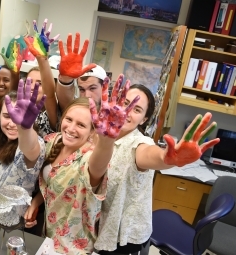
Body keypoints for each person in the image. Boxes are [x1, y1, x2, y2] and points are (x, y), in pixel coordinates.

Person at [55, 34, 220, 255]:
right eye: (124, 103)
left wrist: (168, 159)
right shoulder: (97, 129)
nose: (127, 112)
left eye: (137, 109)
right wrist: (65, 79)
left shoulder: (138, 144)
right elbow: (70, 108)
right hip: (88, 224)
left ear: (144, 120)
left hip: (122, 236)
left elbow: (150, 155)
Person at [24, 78, 139, 254]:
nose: (70, 128)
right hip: (48, 239)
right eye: (68, 119)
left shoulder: (88, 157)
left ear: (93, 132)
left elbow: (98, 165)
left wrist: (107, 141)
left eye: (81, 125)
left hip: (75, 248)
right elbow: (50, 179)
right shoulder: (54, 141)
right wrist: (36, 201)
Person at [0, 79, 46, 222]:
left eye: (18, 118)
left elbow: (30, 149)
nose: (13, 123)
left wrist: (24, 127)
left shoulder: (34, 143)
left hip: (9, 228)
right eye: (7, 116)